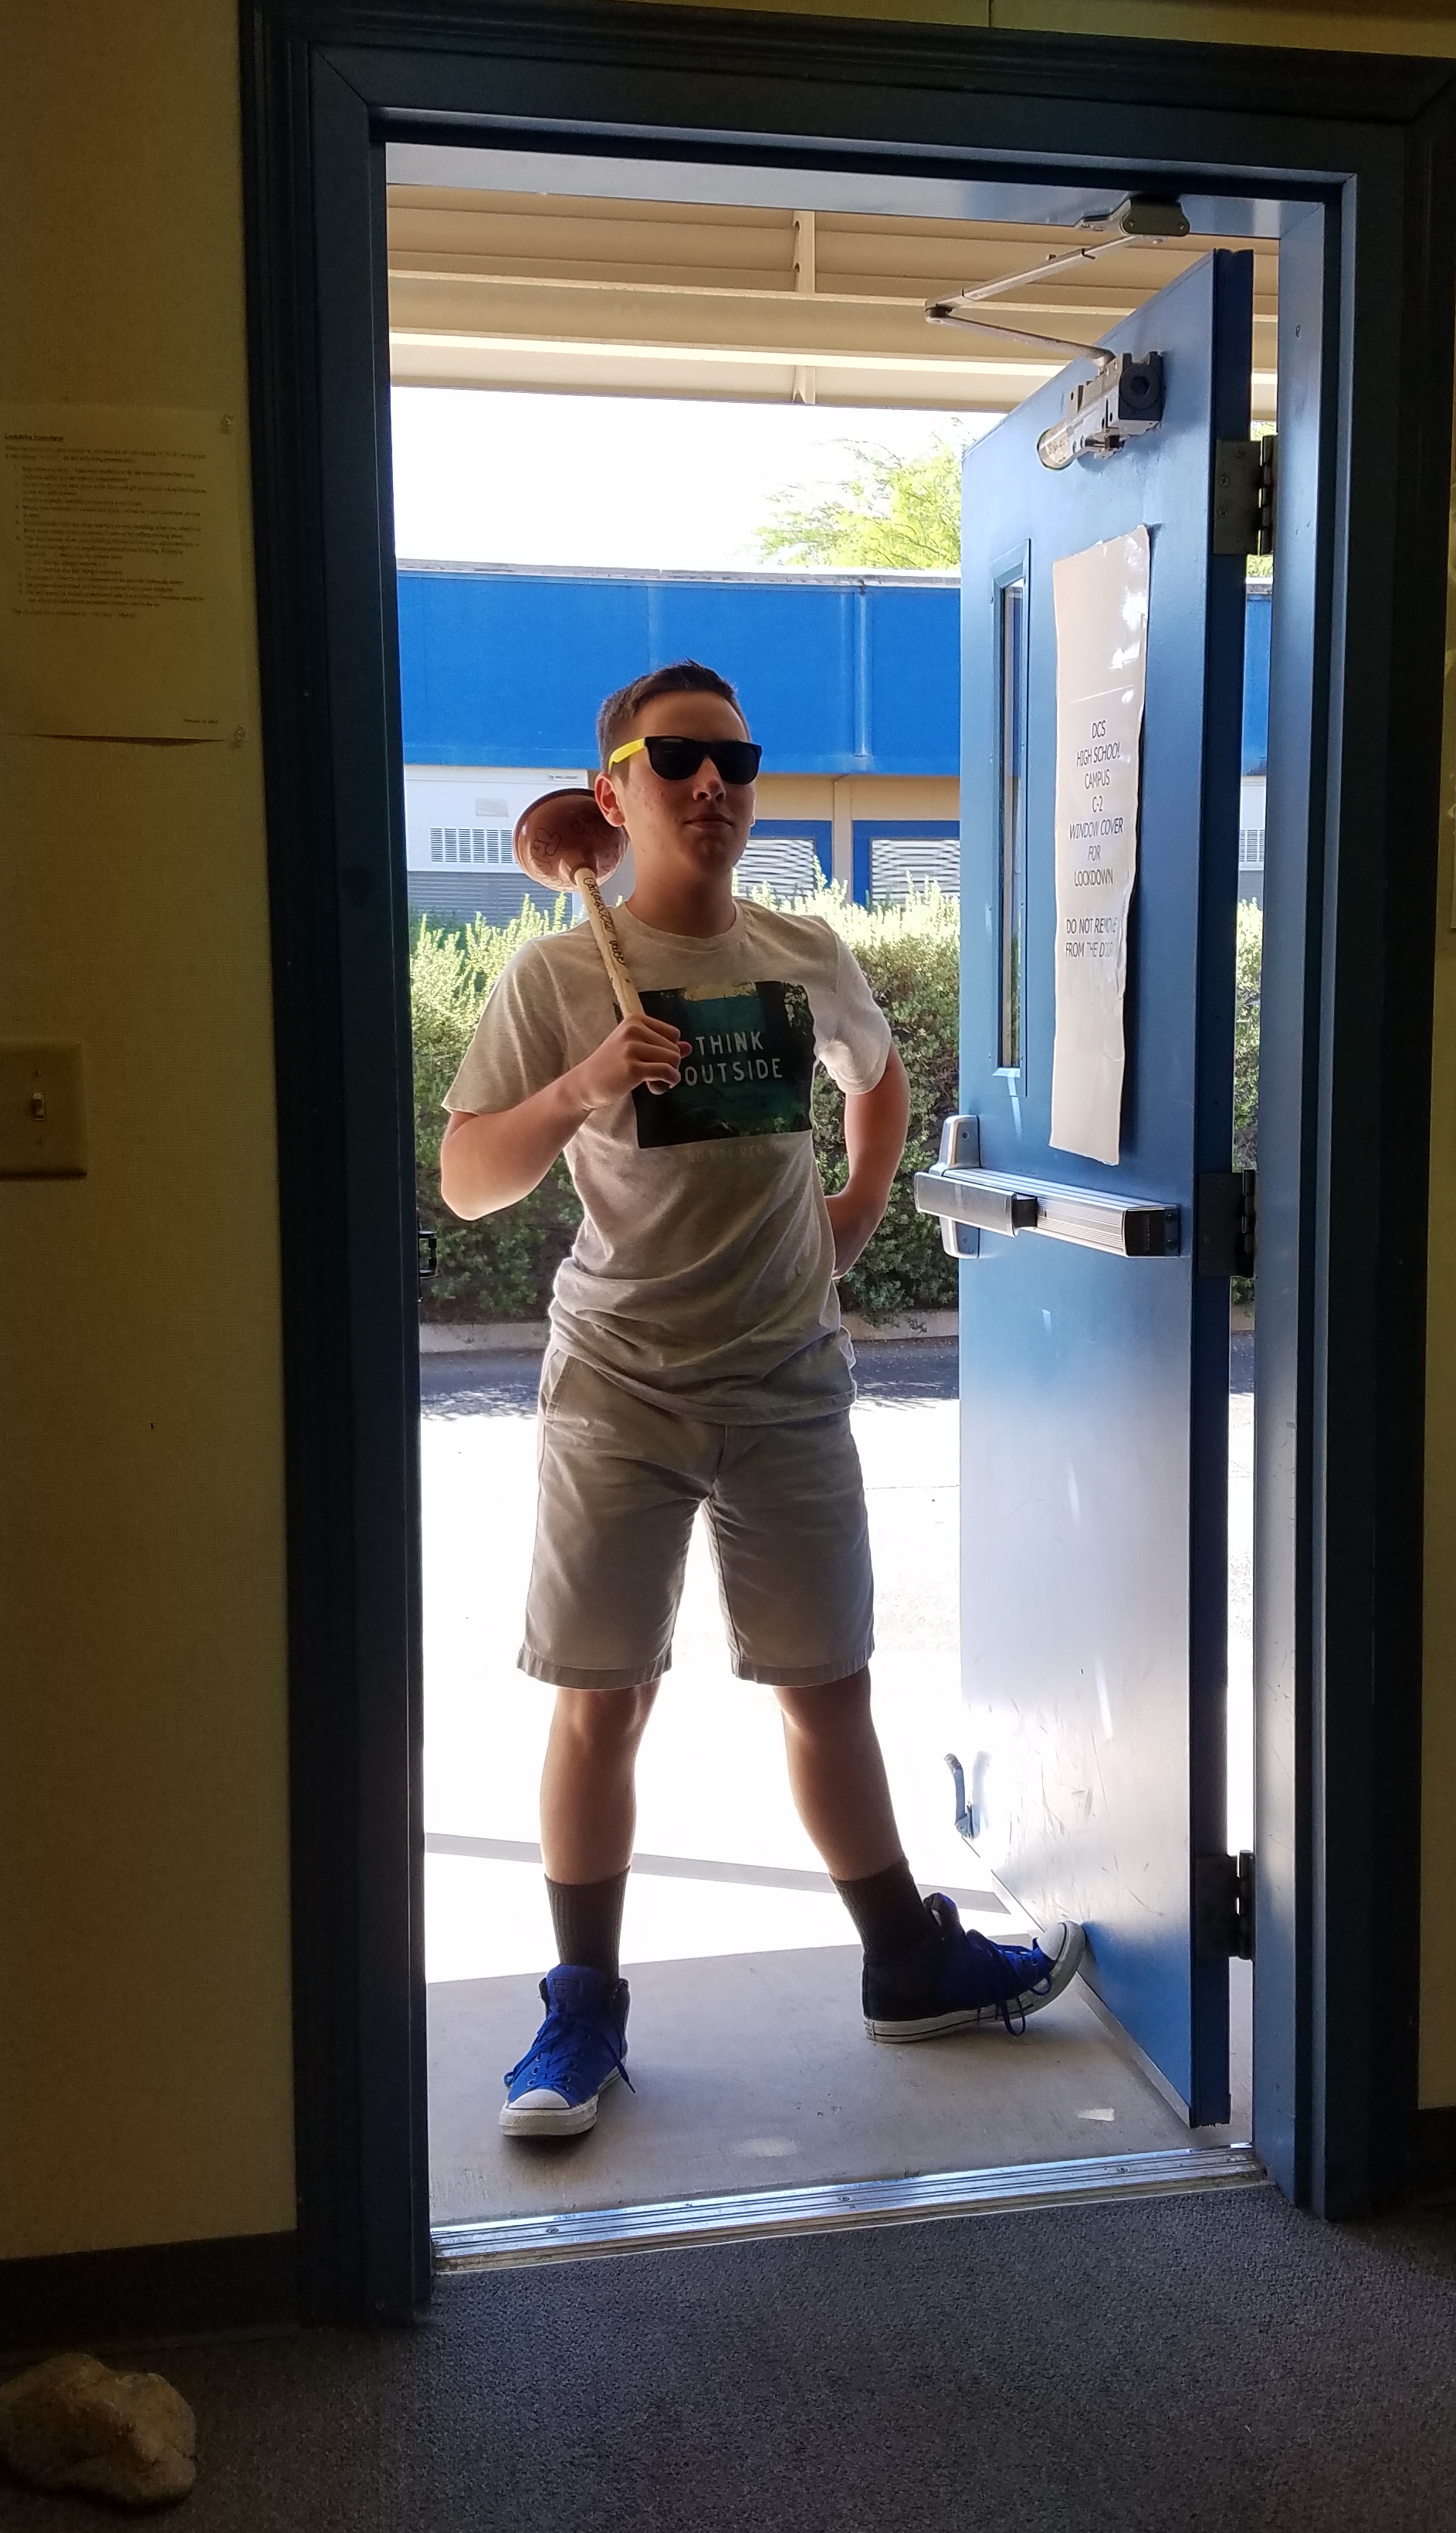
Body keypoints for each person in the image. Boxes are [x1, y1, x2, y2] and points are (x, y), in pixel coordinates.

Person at [441, 659, 1085, 2137]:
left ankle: (904, 1962)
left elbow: (880, 1078)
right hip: (620, 1387)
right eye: (675, 760)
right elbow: (469, 1181)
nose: (711, 785)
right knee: (604, 1699)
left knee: (827, 1683)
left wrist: (851, 1215)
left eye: (734, 761)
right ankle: (582, 2010)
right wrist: (579, 1087)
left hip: (790, 1375)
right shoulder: (555, 978)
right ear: (611, 796)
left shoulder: (803, 954)